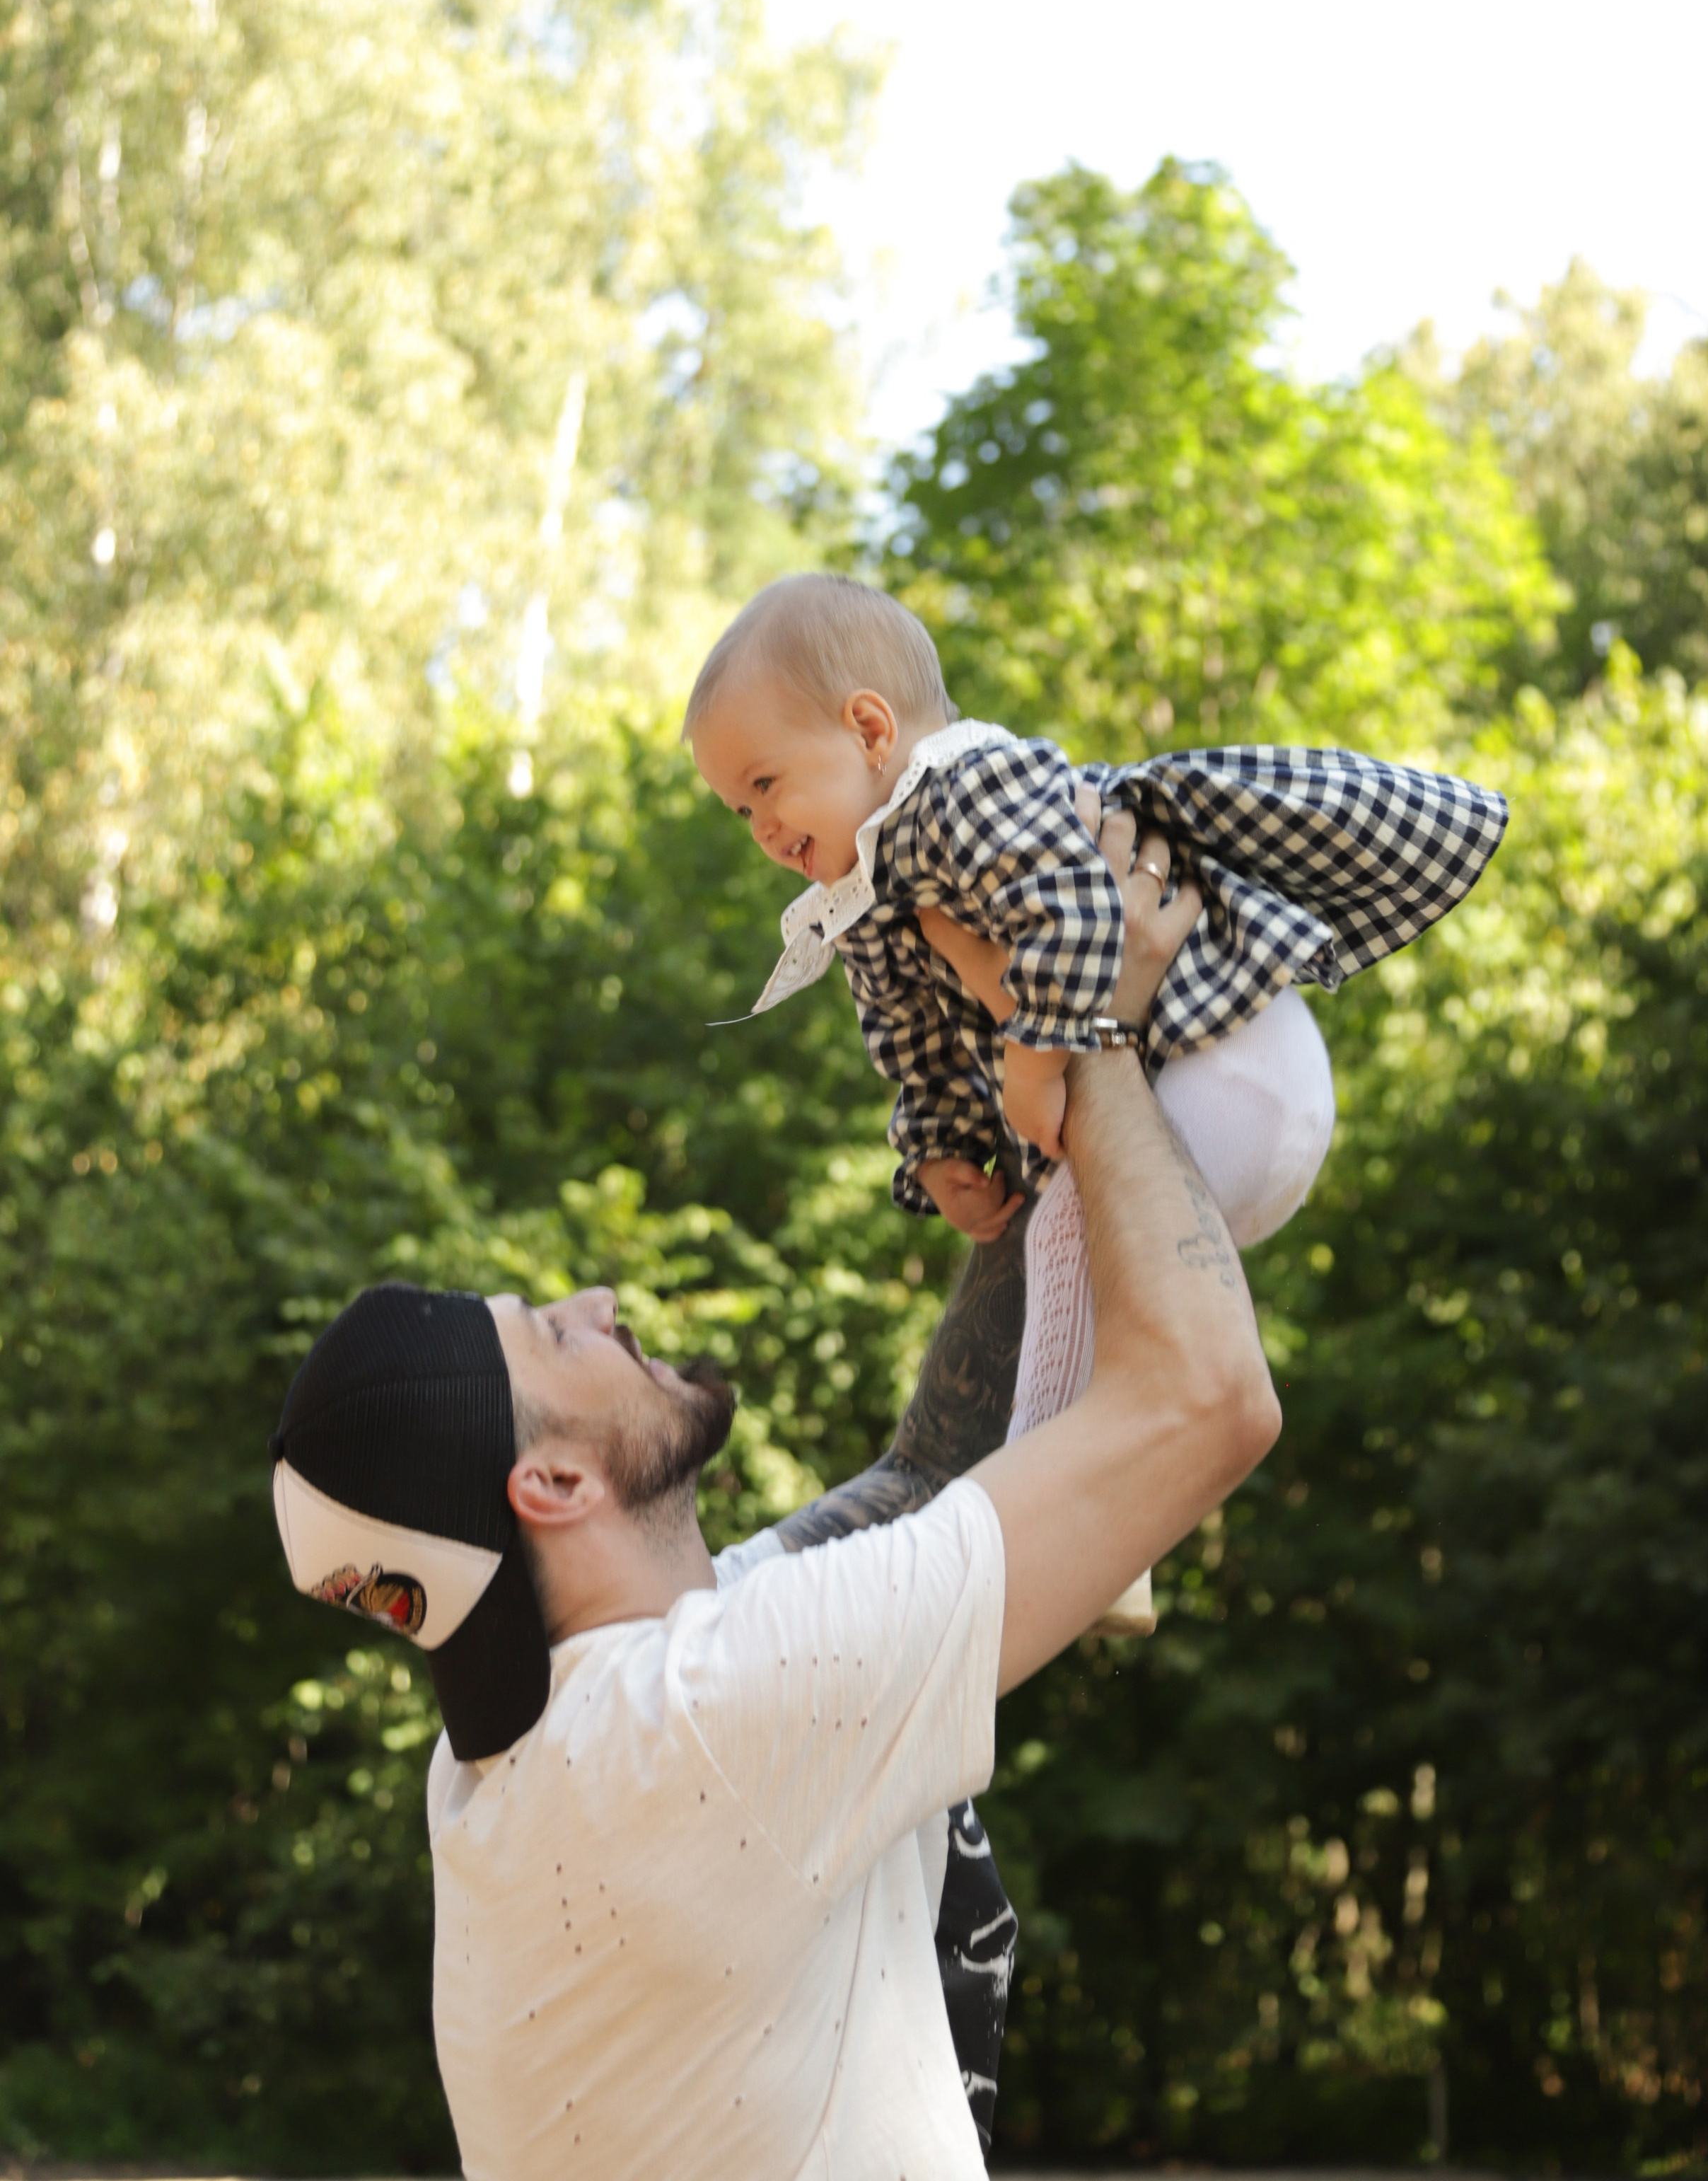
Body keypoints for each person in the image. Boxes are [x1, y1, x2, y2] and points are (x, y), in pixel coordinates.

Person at [269, 816, 1282, 2181]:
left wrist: (1027, 1134)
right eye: (553, 1336)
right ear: (553, 1482)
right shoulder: (712, 1723)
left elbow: (930, 1477)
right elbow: (1211, 1401)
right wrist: (1087, 1025)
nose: (600, 1303)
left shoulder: (533, 1751)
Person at [683, 572, 1507, 1239]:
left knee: (1085, 1358)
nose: (761, 828)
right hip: (1134, 1134)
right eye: (740, 810)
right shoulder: (865, 898)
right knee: (1067, 1322)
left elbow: (1071, 907)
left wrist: (1034, 1066)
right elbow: (915, 1042)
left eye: (765, 785)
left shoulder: (962, 790)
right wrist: (939, 1150)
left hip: (1218, 1057)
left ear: (869, 731)